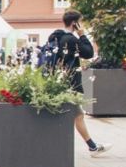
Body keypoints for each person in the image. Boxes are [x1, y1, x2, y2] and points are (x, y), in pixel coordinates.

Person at [47, 9, 111, 155]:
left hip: (58, 80)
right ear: (75, 23)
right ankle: (92, 147)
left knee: (76, 114)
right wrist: (82, 35)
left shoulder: (56, 37)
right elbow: (89, 53)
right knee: (77, 115)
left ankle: (92, 145)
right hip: (69, 83)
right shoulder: (71, 39)